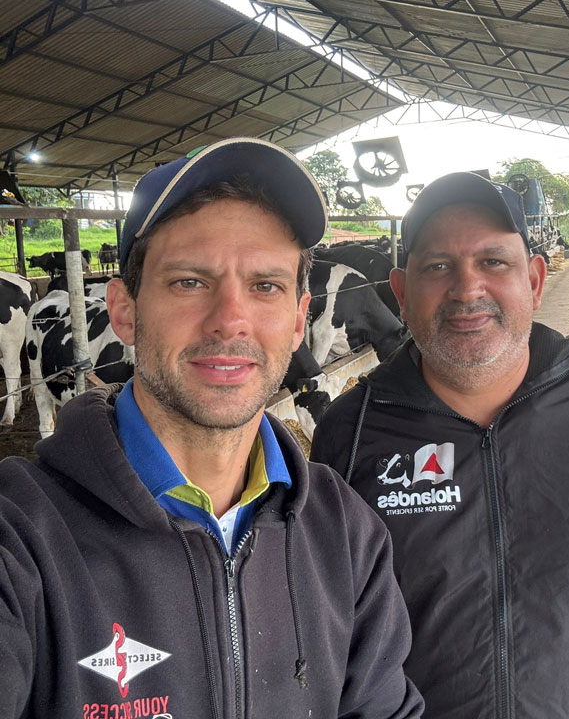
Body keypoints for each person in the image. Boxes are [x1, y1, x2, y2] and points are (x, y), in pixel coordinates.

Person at [0, 138, 423, 719]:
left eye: (265, 286)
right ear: (124, 311)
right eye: (189, 281)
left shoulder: (347, 534)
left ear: (299, 320)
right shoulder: (21, 537)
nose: (230, 320)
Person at [311, 171, 569, 719]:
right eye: (438, 266)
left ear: (535, 280)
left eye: (493, 261)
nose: (467, 290)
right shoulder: (349, 433)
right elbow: (332, 630)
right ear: (401, 293)